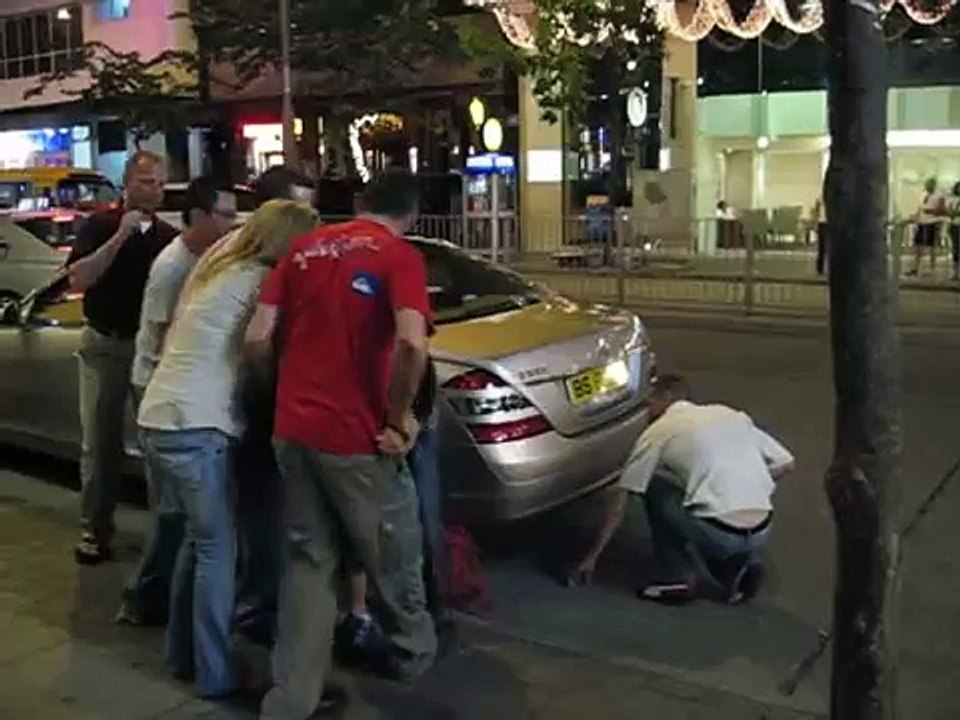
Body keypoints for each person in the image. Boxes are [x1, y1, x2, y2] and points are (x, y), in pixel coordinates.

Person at [245, 169, 438, 720]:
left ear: (359, 203)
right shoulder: (398, 256)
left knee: (309, 561)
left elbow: (256, 340)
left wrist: (277, 398)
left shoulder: (302, 249)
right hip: (357, 439)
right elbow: (411, 344)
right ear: (411, 214)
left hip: (294, 431)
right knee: (394, 550)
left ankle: (290, 699)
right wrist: (398, 420)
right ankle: (411, 654)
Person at [137, 201, 319, 698]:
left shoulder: (220, 269)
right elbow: (263, 347)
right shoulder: (262, 280)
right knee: (219, 549)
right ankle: (216, 676)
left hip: (159, 416)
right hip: (200, 424)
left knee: (197, 544)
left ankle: (181, 655)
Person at [116, 177, 238, 626]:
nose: (233, 223)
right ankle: (144, 595)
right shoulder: (175, 267)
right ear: (200, 215)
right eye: (225, 214)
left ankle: (162, 598)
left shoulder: (206, 260)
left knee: (183, 514)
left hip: (175, 393)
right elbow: (170, 339)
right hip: (159, 390)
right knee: (173, 510)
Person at [570, 375, 795, 605]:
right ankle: (737, 569)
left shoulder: (659, 431)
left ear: (665, 400)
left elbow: (622, 500)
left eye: (649, 404)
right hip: (762, 529)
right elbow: (786, 463)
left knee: (656, 487)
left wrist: (591, 557)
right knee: (706, 505)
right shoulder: (730, 415)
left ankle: (677, 577)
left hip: (719, 533)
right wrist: (748, 486)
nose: (646, 412)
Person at [67, 150, 177, 565]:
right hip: (106, 344)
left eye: (160, 183)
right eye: (147, 182)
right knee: (100, 442)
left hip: (149, 347)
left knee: (157, 446)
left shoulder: (167, 238)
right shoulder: (100, 225)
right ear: (128, 184)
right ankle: (95, 530)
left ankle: (163, 539)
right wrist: (120, 237)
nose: (155, 190)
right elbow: (80, 277)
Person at [233, 166, 317, 647]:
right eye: (300, 212)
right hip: (249, 412)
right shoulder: (257, 273)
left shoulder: (247, 263)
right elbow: (257, 344)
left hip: (257, 410)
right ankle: (257, 609)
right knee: (261, 516)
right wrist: (267, 391)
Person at [909, 178, 945, 276]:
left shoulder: (939, 196)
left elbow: (942, 210)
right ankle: (915, 267)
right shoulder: (923, 194)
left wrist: (931, 211)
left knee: (932, 246)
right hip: (922, 222)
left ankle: (932, 268)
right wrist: (916, 220)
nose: (928, 186)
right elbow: (919, 208)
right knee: (918, 245)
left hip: (932, 222)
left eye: (931, 184)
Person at [949, 182, 960, 281]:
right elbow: (949, 211)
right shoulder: (953, 200)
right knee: (955, 249)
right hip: (954, 225)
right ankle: (955, 273)